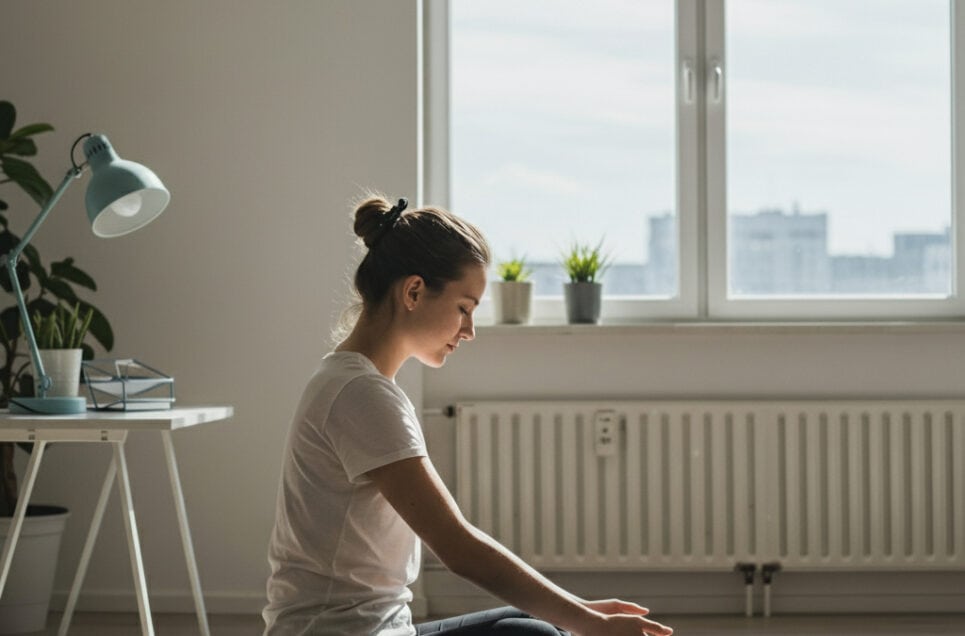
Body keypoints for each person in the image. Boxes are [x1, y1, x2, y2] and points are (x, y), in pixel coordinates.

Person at [263, 195, 674, 636]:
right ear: (414, 291)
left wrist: (577, 609)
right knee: (534, 634)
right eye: (465, 308)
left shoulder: (350, 380)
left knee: (531, 622)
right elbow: (456, 546)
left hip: (381, 627)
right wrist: (587, 621)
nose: (470, 330)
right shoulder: (361, 394)